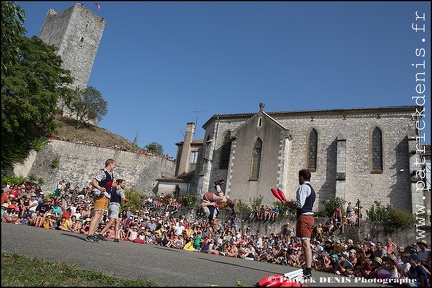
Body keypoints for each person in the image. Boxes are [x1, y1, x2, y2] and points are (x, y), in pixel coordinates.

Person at [282, 169, 316, 280]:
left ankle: (308, 270)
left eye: (299, 177)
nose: (298, 179)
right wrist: (289, 205)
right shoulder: (311, 189)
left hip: (305, 217)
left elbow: (299, 204)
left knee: (306, 244)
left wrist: (287, 203)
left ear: (302, 177)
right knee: (305, 243)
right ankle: (307, 268)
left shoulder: (303, 187)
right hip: (309, 217)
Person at [86, 158, 116, 242]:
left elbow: (108, 184)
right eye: (114, 165)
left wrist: (115, 185)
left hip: (106, 195)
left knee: (100, 215)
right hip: (101, 195)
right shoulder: (102, 172)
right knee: (97, 214)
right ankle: (89, 235)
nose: (115, 167)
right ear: (110, 164)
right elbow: (94, 181)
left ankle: (92, 233)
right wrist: (99, 187)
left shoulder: (110, 174)